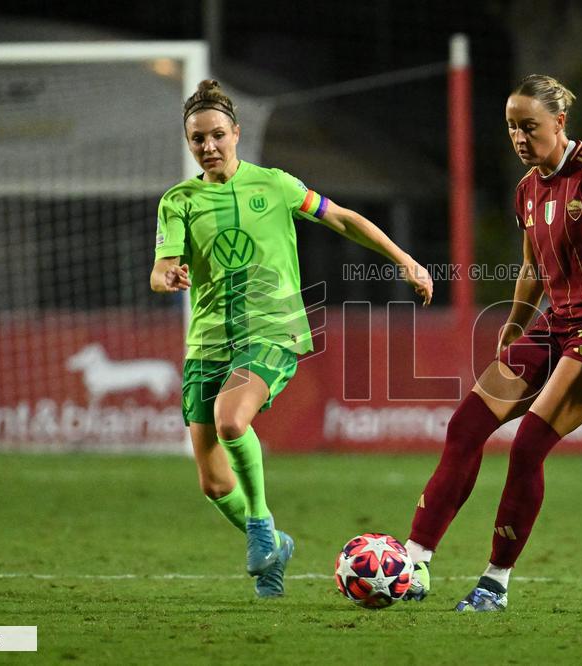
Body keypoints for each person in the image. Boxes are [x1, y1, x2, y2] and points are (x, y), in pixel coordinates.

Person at [151, 80, 433, 598]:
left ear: (236, 133)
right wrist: (167, 275)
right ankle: (276, 546)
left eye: (217, 135)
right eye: (198, 139)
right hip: (207, 341)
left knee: (231, 420)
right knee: (214, 483)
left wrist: (404, 259)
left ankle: (261, 527)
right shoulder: (179, 201)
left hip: (272, 328)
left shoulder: (275, 185)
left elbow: (342, 219)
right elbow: (161, 267)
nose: (209, 146)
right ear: (188, 142)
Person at [402, 75, 582, 611]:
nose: (520, 138)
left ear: (560, 122)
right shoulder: (527, 189)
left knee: (528, 445)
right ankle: (412, 562)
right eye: (511, 128)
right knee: (466, 426)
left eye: (530, 127)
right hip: (556, 322)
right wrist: (514, 324)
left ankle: (494, 584)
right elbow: (532, 266)